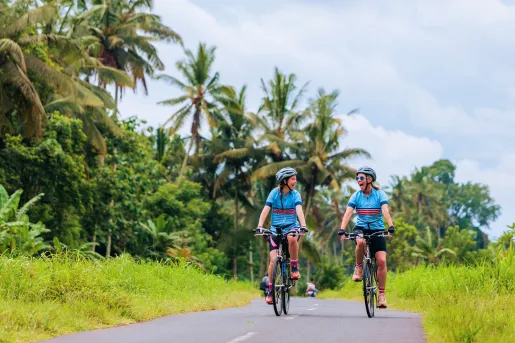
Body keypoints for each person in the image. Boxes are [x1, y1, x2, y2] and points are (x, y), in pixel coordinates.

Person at [337, 166, 395, 308]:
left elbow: (385, 210)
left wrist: (390, 225)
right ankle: (358, 268)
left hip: (377, 229)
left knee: (381, 261)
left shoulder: (380, 194)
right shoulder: (356, 196)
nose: (358, 180)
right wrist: (342, 229)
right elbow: (348, 213)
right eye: (357, 178)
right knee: (361, 241)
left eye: (361, 178)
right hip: (361, 228)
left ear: (369, 179)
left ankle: (381, 295)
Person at [256, 167, 308, 305]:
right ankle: (270, 290)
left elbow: (299, 210)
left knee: (292, 237)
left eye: (295, 179)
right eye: (293, 179)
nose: (295, 182)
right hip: (275, 230)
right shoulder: (273, 194)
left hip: (292, 227)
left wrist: (303, 226)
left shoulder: (295, 194)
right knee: (273, 261)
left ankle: (295, 267)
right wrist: (260, 226)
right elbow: (265, 210)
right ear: (284, 181)